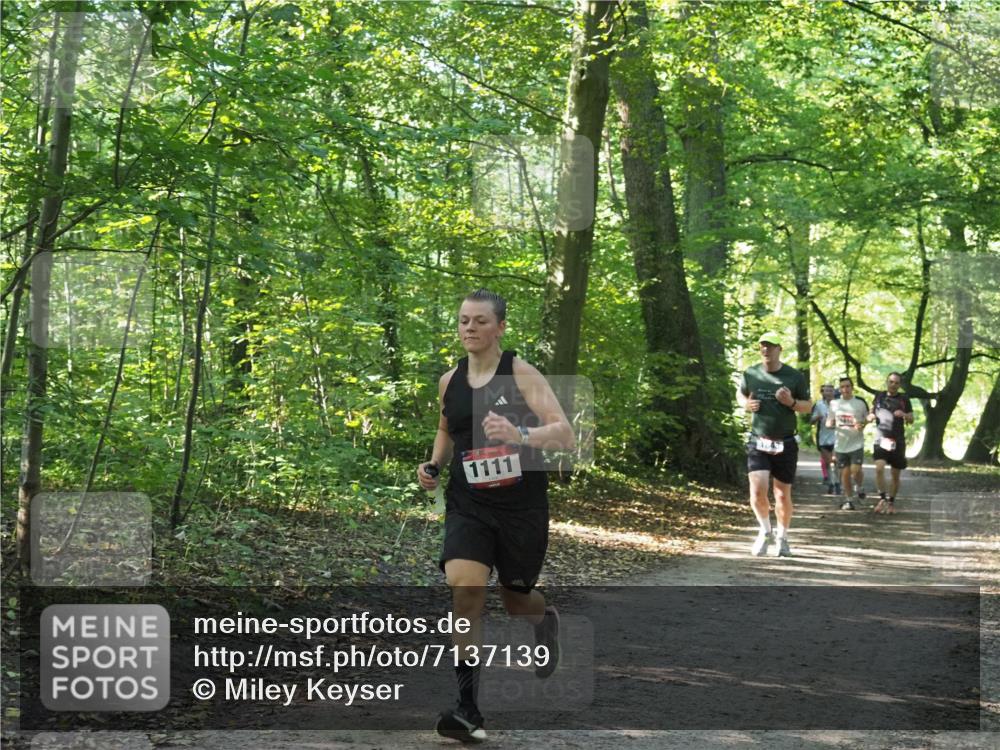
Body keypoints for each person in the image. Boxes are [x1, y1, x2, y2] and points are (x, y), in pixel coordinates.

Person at [417, 289, 575, 743]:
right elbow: (448, 428)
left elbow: (563, 434)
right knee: (464, 587)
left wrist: (519, 431)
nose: (470, 328)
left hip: (521, 506)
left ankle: (543, 620)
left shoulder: (521, 373)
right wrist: (434, 465)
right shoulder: (450, 380)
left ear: (500, 327)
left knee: (514, 600)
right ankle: (468, 709)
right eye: (464, 320)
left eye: (481, 321)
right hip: (469, 503)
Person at [737, 332, 812, 558]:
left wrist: (791, 402)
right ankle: (765, 530)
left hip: (786, 442)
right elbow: (740, 395)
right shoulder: (751, 373)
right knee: (758, 492)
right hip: (758, 441)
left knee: (781, 495)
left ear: (780, 348)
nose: (765, 350)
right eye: (762, 346)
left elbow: (808, 406)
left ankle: (783, 536)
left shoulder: (794, 376)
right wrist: (746, 405)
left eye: (770, 346)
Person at [867, 372, 914, 514]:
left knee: (895, 474)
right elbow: (872, 411)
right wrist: (870, 416)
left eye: (896, 383)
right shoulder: (879, 396)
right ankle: (882, 498)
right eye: (891, 382)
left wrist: (904, 415)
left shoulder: (904, 399)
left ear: (899, 385)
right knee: (879, 468)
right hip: (881, 438)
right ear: (887, 382)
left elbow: (911, 419)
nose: (893, 385)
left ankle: (891, 502)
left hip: (897, 440)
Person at [826, 377, 869, 510]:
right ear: (840, 389)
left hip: (856, 443)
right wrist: (830, 424)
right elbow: (829, 421)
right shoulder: (834, 404)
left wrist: (862, 425)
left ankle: (860, 486)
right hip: (840, 445)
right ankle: (849, 500)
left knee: (855, 471)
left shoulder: (860, 403)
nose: (845, 389)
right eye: (842, 387)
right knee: (844, 474)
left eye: (847, 386)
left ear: (852, 387)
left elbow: (867, 419)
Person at [810, 384, 838, 494]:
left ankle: (837, 483)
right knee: (828, 462)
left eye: (831, 390)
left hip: (838, 437)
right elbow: (811, 421)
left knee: (835, 461)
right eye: (826, 391)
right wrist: (817, 417)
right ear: (823, 393)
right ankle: (831, 482)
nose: (829, 392)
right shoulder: (818, 404)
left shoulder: (839, 404)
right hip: (823, 438)